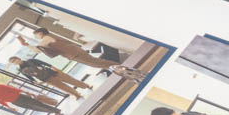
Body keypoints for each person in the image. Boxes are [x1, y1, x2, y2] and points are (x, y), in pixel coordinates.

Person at [16, 31, 145, 82]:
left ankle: (124, 69)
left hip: (74, 53)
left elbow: (38, 49)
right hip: (74, 53)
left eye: (36, 34)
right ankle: (123, 70)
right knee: (97, 63)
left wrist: (25, 44)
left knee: (97, 63)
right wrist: (26, 44)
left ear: (40, 33)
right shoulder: (47, 39)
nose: (36, 36)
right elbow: (39, 49)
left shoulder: (46, 38)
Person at [10, 56, 92, 99]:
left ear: (18, 58)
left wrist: (54, 68)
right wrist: (36, 82)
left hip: (52, 72)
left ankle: (86, 86)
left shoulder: (30, 60)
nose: (15, 62)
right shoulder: (21, 70)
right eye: (13, 62)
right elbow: (29, 77)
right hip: (46, 79)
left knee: (70, 80)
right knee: (63, 87)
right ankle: (76, 94)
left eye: (14, 60)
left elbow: (44, 63)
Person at [0, 83, 66, 115]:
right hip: (15, 102)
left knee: (39, 105)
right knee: (35, 108)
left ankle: (58, 112)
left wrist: (26, 92)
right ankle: (55, 112)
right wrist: (10, 107)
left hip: (20, 96)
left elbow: (12, 89)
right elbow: (0, 102)